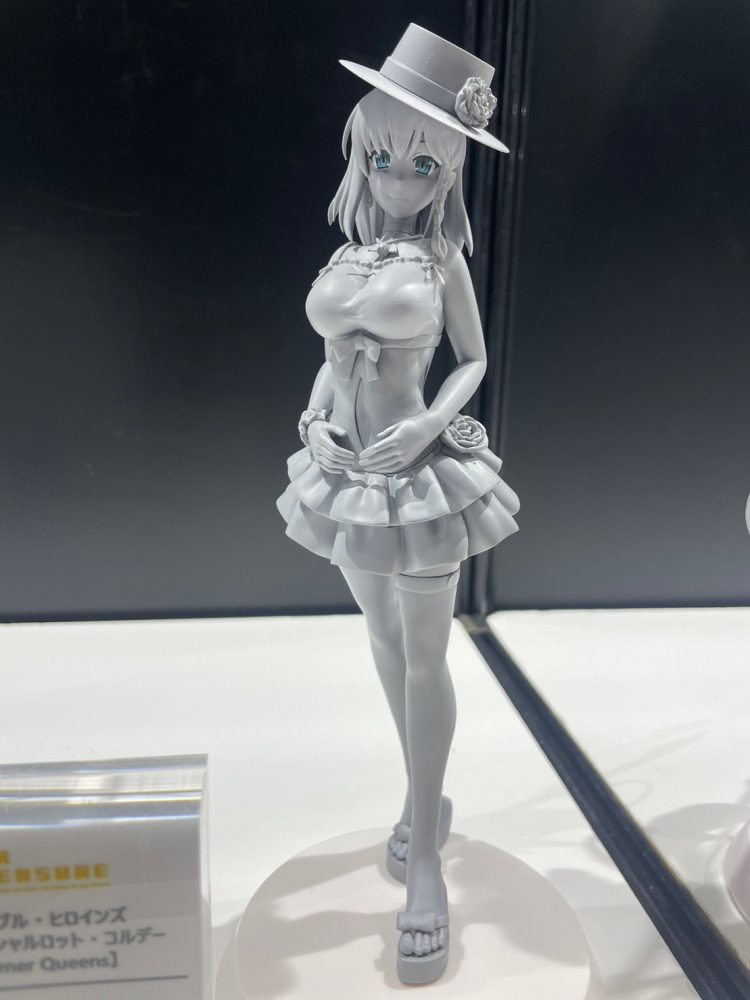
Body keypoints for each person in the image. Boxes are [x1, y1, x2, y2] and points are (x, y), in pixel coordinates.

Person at [276, 23, 520, 985]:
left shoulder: (441, 262)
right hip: (347, 478)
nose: (400, 179)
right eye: (383, 157)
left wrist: (425, 426)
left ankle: (425, 854)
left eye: (424, 164)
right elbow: (333, 365)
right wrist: (313, 421)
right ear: (360, 151)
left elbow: (474, 361)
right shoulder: (345, 260)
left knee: (425, 654)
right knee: (382, 640)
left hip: (421, 479)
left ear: (450, 167)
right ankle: (426, 802)